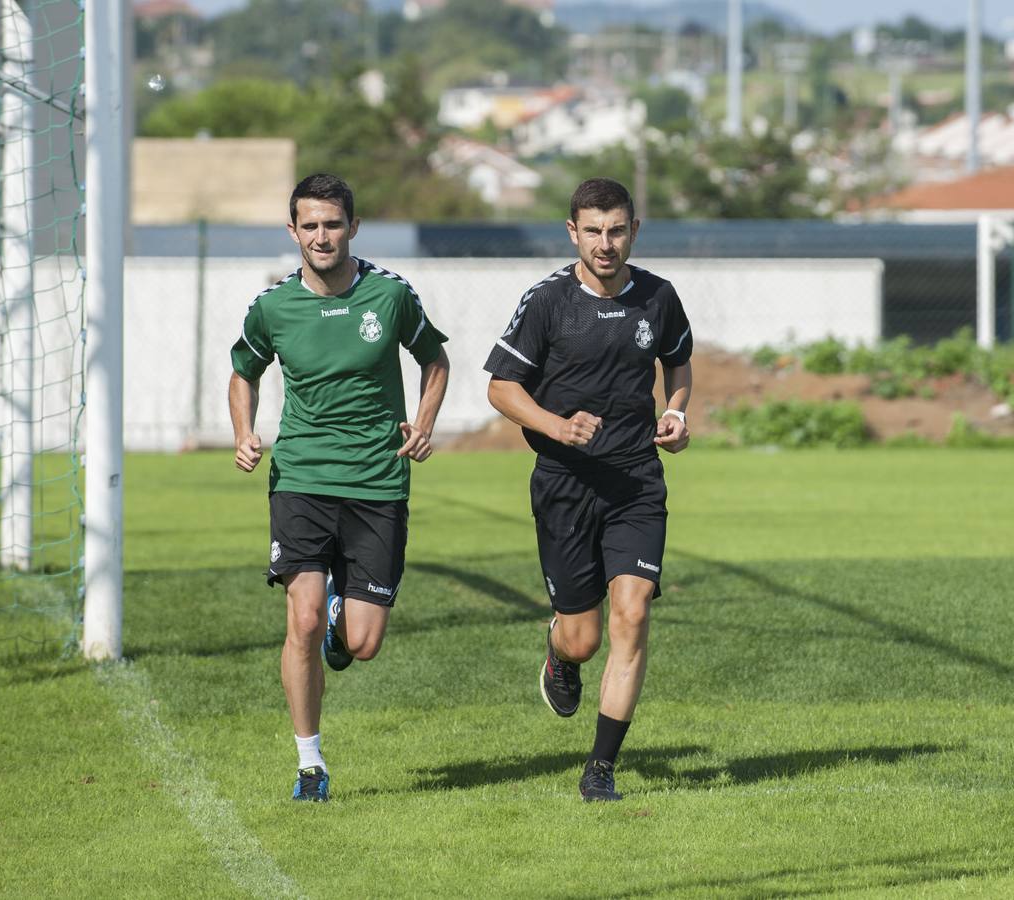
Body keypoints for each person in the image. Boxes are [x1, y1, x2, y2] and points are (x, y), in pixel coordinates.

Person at [229, 173, 450, 802]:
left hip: (378, 481)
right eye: (310, 225)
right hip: (300, 477)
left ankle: (340, 617)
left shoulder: (389, 297)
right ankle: (310, 764)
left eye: (333, 224)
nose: (321, 236)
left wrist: (425, 422)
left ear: (353, 228)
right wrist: (244, 431)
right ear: (293, 231)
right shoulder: (272, 307)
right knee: (298, 620)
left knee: (364, 643)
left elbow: (435, 360)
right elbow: (241, 373)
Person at [483, 177, 694, 802]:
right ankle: (559, 654)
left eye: (618, 230)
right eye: (594, 231)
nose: (606, 243)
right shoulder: (548, 301)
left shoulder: (659, 297)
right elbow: (500, 387)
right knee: (585, 636)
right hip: (564, 485)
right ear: (573, 232)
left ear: (634, 231)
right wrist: (556, 426)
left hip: (635, 484)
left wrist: (677, 412)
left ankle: (600, 769)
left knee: (632, 613)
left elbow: (677, 360)